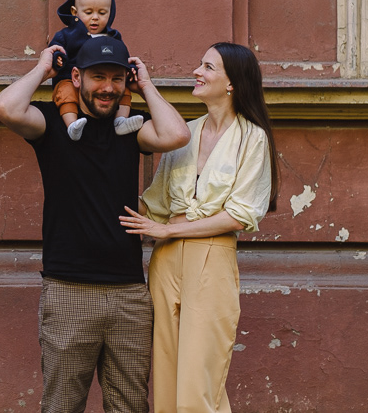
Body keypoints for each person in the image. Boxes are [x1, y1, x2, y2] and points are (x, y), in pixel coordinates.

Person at [0, 35, 191, 413]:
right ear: (77, 77)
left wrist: (146, 86)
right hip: (69, 290)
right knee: (62, 406)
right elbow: (4, 107)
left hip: (129, 295)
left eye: (116, 79)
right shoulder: (52, 123)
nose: (108, 88)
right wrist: (43, 69)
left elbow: (177, 135)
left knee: (130, 406)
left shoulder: (130, 127)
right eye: (98, 77)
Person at [119, 42, 279, 413]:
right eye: (200, 64)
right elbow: (155, 205)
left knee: (198, 383)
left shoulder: (252, 138)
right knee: (167, 378)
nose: (197, 72)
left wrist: (168, 231)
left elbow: (239, 216)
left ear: (231, 82)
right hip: (165, 262)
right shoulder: (183, 135)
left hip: (212, 258)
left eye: (208, 67)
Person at [49, 0, 143, 141]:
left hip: (102, 85)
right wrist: (58, 58)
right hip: (69, 79)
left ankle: (120, 121)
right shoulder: (67, 35)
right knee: (65, 92)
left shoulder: (113, 37)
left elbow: (123, 60)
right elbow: (56, 50)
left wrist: (131, 69)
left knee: (124, 89)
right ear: (74, 12)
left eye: (102, 13)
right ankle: (72, 125)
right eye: (88, 12)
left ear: (110, 12)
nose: (95, 18)